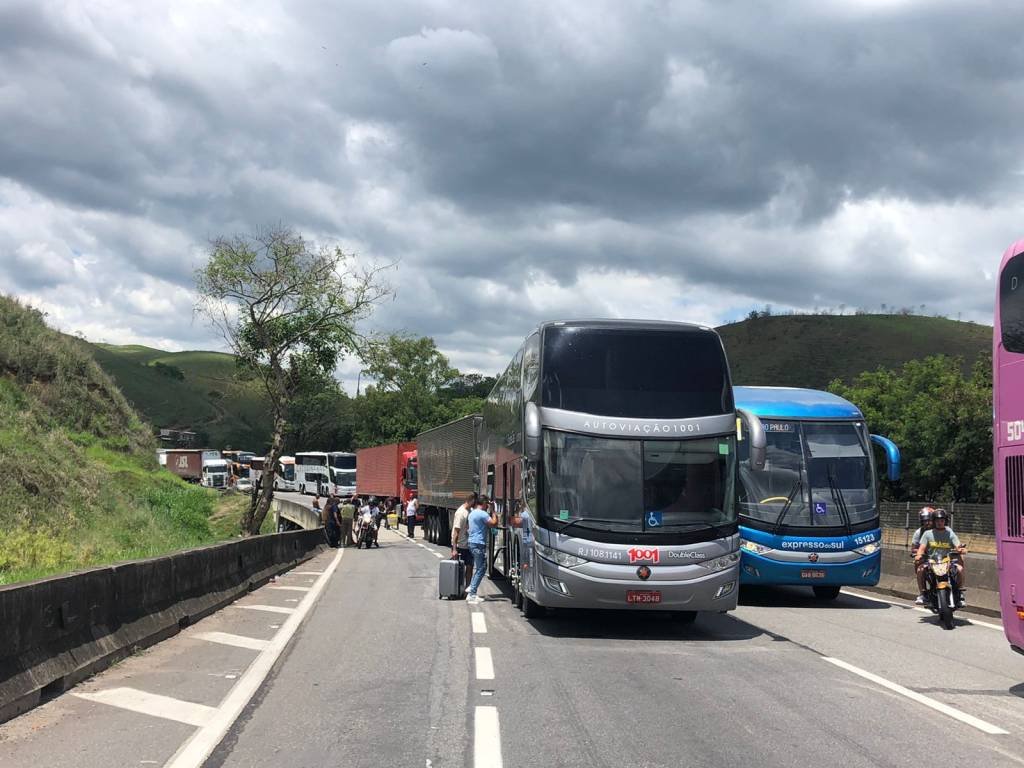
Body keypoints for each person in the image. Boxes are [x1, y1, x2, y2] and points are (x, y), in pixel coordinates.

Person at [915, 508, 967, 605]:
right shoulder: (927, 534)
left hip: (948, 561)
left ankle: (960, 594)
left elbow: (958, 546)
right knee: (920, 570)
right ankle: (923, 594)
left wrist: (961, 550)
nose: (940, 523)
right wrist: (918, 555)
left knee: (959, 569)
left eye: (942, 520)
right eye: (937, 521)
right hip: (932, 561)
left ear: (945, 521)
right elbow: (921, 548)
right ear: (933, 521)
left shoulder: (950, 533)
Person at [466, 496, 498, 604]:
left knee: (480, 567)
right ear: (484, 503)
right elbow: (494, 523)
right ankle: (472, 594)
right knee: (481, 568)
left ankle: (471, 589)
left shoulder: (472, 513)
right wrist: (493, 511)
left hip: (472, 542)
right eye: (487, 504)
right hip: (478, 543)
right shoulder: (482, 513)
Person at [450, 492, 479, 593]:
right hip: (460, 546)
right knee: (460, 570)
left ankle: (467, 589)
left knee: (470, 567)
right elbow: (456, 532)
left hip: (468, 545)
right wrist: (454, 549)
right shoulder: (461, 513)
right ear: (472, 501)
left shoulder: (470, 511)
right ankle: (458, 589)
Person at [911, 507, 935, 604]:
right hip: (927, 558)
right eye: (924, 521)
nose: (927, 523)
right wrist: (921, 552)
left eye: (929, 520)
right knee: (919, 565)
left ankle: (958, 592)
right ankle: (923, 593)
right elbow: (913, 548)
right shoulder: (918, 533)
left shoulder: (942, 530)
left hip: (942, 558)